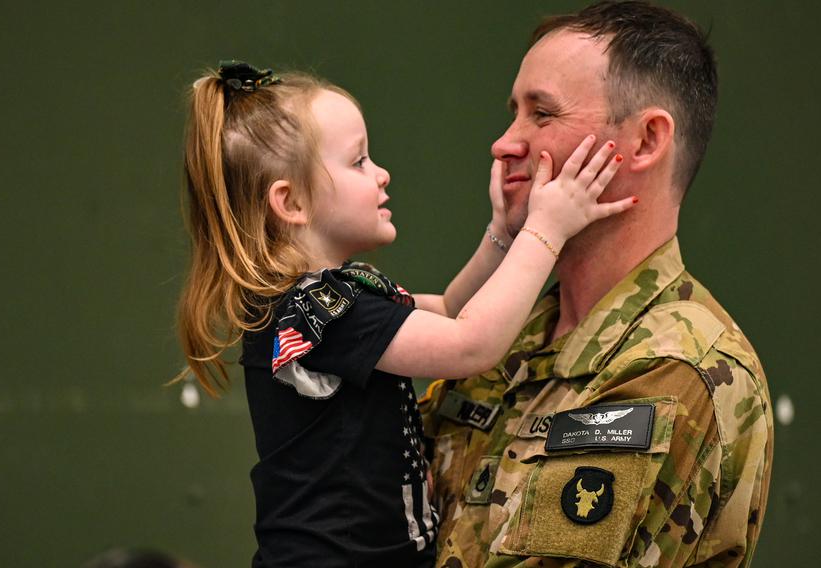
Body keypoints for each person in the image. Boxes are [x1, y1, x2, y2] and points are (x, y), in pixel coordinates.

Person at [174, 60, 636, 567]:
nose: (381, 173)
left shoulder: (337, 294)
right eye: (359, 162)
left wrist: (502, 235)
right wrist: (546, 230)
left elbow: (448, 311)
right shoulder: (316, 310)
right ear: (292, 202)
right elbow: (469, 343)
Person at [419, 2, 773, 567]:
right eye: (514, 113)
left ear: (645, 141)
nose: (505, 143)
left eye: (542, 115)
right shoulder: (503, 335)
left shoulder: (675, 365)